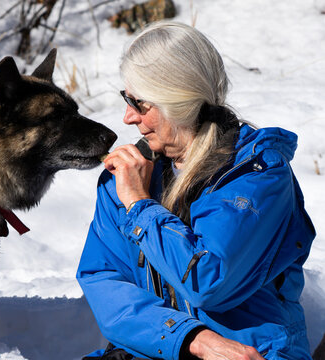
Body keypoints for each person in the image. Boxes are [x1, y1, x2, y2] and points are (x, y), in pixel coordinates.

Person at [77, 21, 316, 360]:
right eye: (126, 99)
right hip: (158, 349)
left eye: (139, 103)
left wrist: (140, 206)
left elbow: (209, 280)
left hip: (253, 352)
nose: (127, 117)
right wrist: (190, 339)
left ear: (179, 100)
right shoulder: (128, 178)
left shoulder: (257, 178)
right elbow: (104, 280)